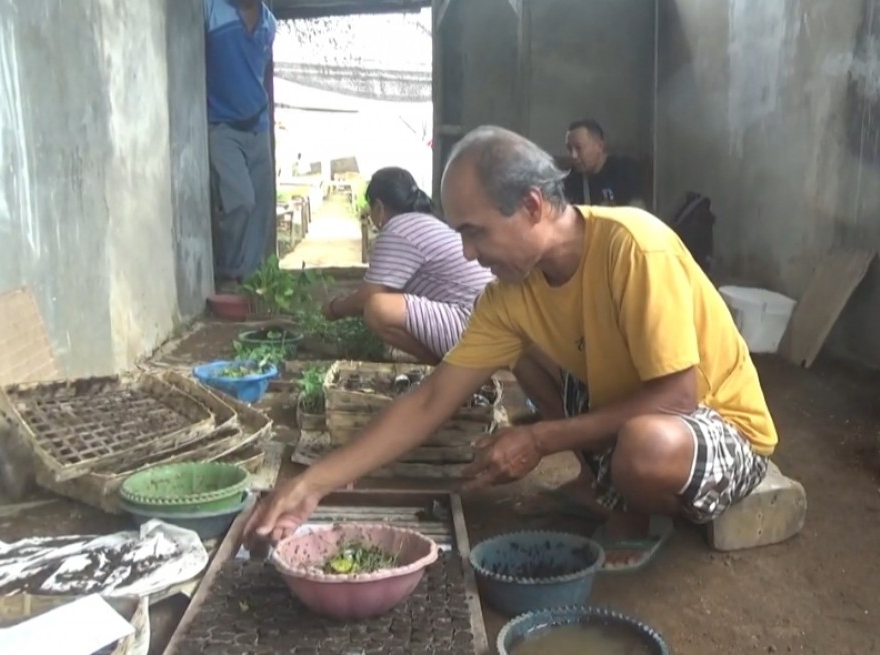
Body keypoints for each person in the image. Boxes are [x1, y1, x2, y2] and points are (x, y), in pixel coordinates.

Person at [246, 126, 779, 573]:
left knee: (645, 448)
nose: (468, 254)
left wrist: (541, 439)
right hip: (640, 407)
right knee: (526, 361)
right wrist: (314, 484)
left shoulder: (634, 247)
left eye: (476, 233)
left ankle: (631, 503)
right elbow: (433, 400)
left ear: (531, 206)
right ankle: (610, 490)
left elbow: (678, 396)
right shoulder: (509, 296)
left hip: (717, 423)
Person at [320, 167, 493, 364]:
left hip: (472, 326)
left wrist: (333, 309)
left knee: (377, 309)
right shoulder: (425, 222)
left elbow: (366, 298)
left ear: (379, 207)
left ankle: (445, 366)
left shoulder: (397, 229)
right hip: (486, 321)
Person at [205, 0, 277, 291]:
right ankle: (228, 273)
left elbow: (256, 72)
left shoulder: (268, 24)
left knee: (261, 207)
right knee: (240, 200)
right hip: (222, 126)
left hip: (258, 126)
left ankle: (252, 279)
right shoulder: (210, 9)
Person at [562, 119, 645, 208]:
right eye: (569, 149)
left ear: (600, 146)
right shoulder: (570, 180)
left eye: (578, 148)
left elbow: (638, 210)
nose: (573, 156)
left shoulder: (625, 172)